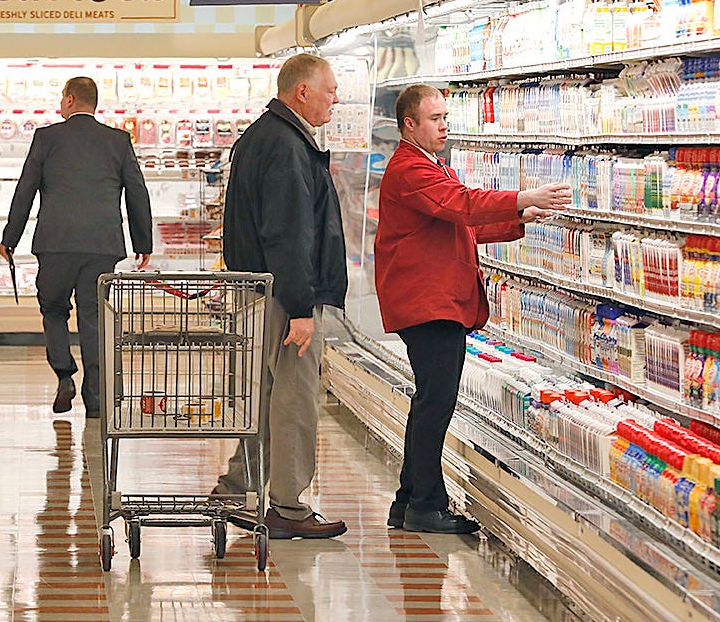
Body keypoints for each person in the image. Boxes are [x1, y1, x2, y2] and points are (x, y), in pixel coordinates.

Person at [374, 84, 571, 534]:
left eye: (446, 116)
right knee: (435, 403)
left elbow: (459, 226)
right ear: (410, 124)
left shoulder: (429, 164)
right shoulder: (409, 169)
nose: (445, 125)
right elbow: (461, 205)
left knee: (431, 400)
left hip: (434, 300)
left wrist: (520, 218)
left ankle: (409, 500)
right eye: (435, 118)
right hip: (428, 304)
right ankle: (426, 503)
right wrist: (524, 197)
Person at [213, 53, 348, 540]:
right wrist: (298, 306)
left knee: (266, 394)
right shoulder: (289, 147)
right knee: (293, 397)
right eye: (330, 90)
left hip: (256, 289)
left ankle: (237, 484)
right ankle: (288, 508)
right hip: (280, 295)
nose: (337, 98)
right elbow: (289, 235)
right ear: (303, 92)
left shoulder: (261, 136)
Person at [0, 77, 153, 419]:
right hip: (102, 246)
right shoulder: (117, 140)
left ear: (69, 100)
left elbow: (25, 190)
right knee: (94, 317)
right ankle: (95, 397)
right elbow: (136, 191)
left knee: (53, 309)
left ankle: (64, 375)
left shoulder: (47, 138)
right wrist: (143, 242)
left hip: (55, 244)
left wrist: (10, 238)